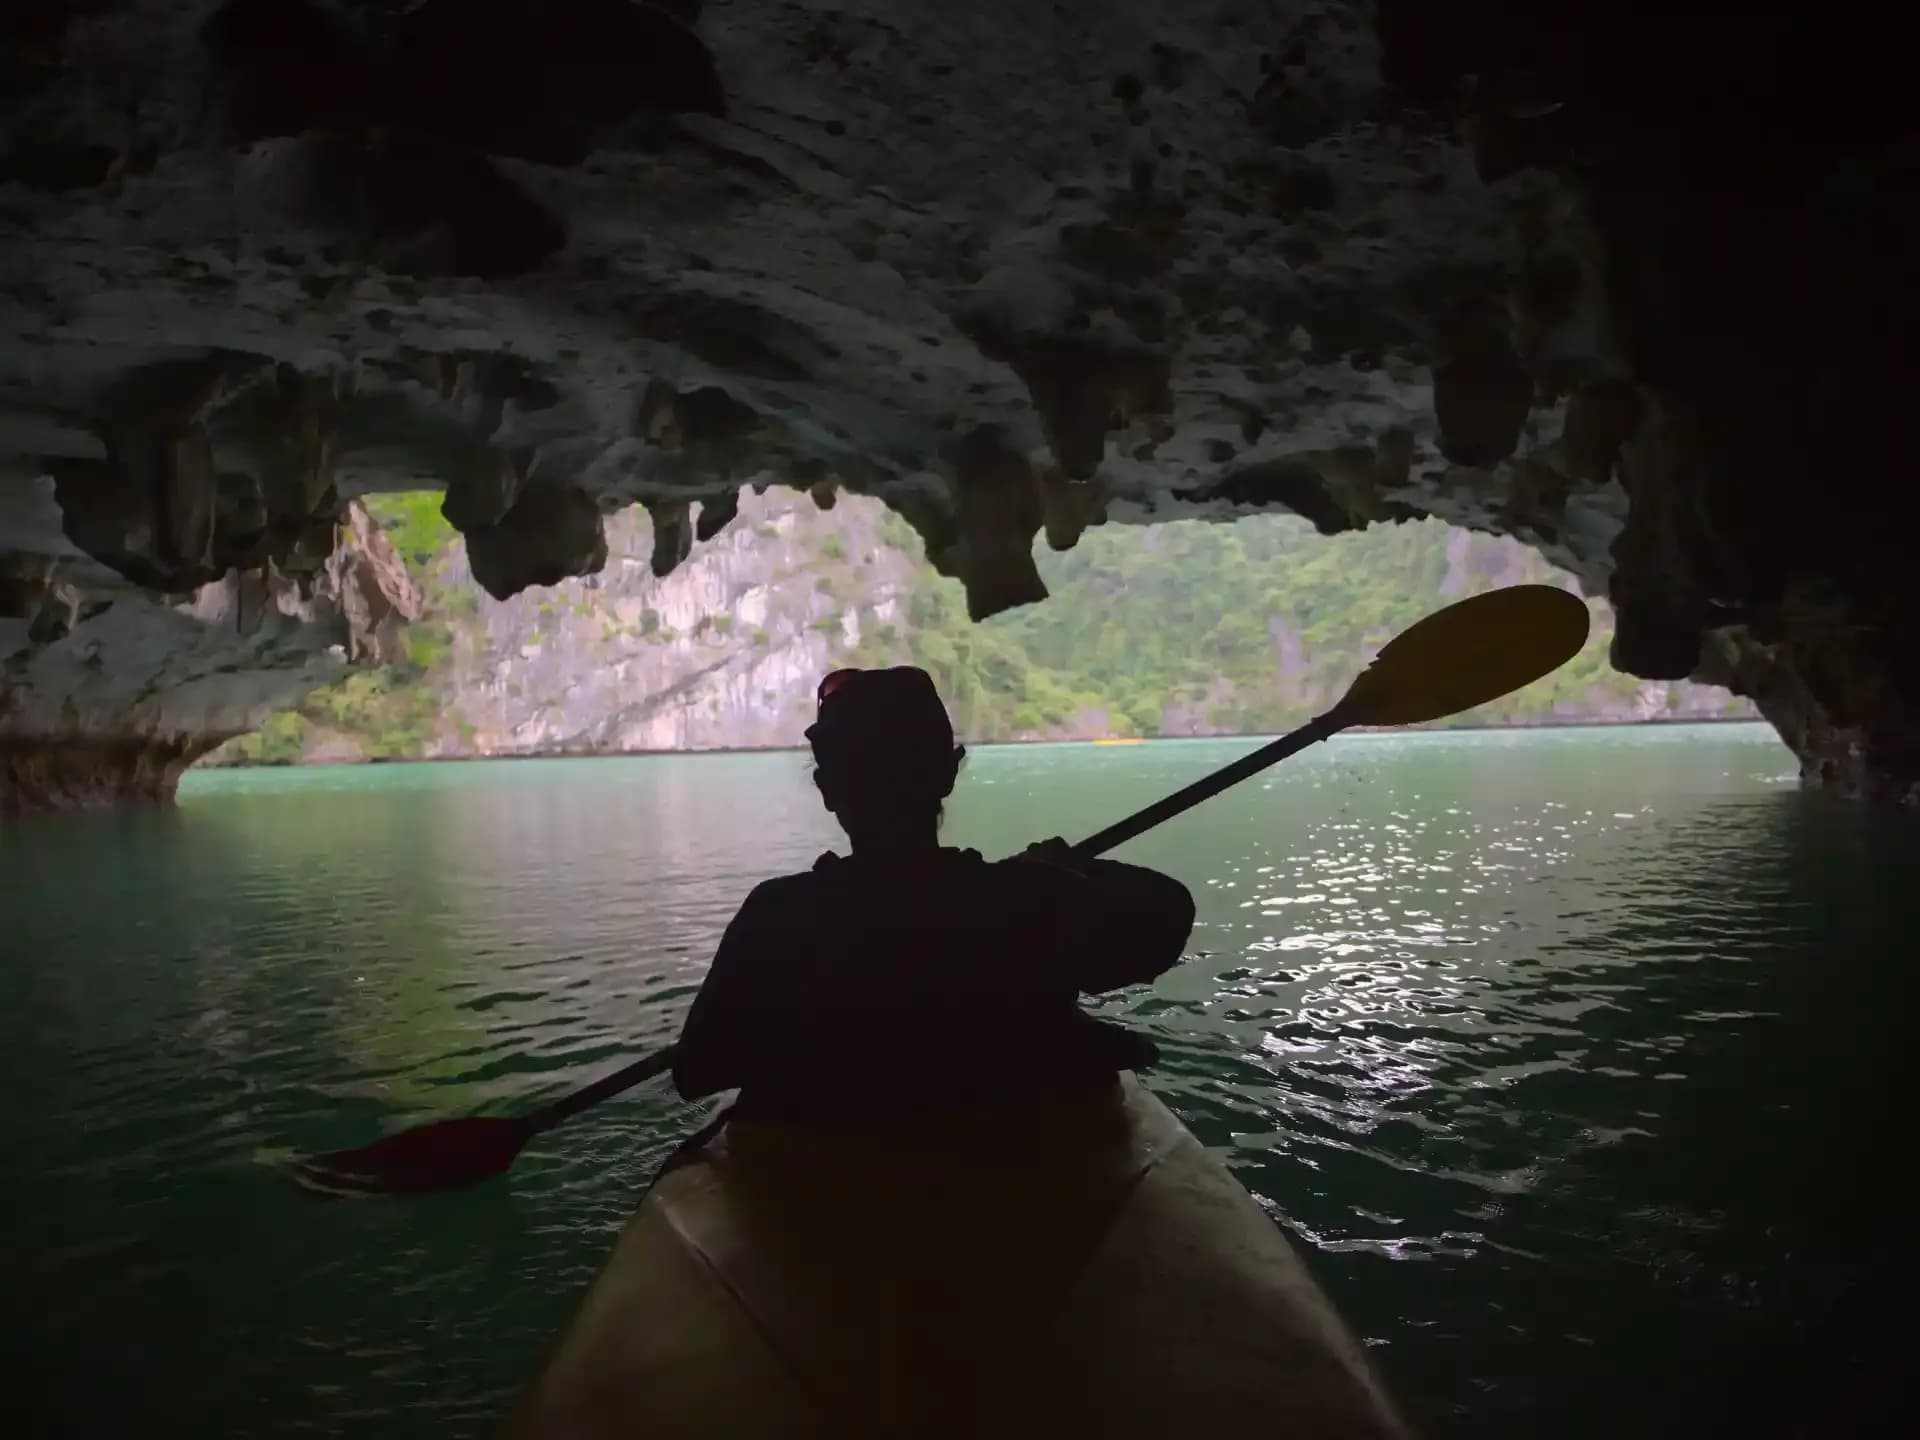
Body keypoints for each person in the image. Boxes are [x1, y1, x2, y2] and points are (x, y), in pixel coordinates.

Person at [671, 666, 1196, 1125]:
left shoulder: (778, 916)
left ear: (828, 788)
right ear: (948, 773)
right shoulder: (1034, 902)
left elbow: (698, 1071)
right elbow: (1167, 915)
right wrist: (1066, 871)